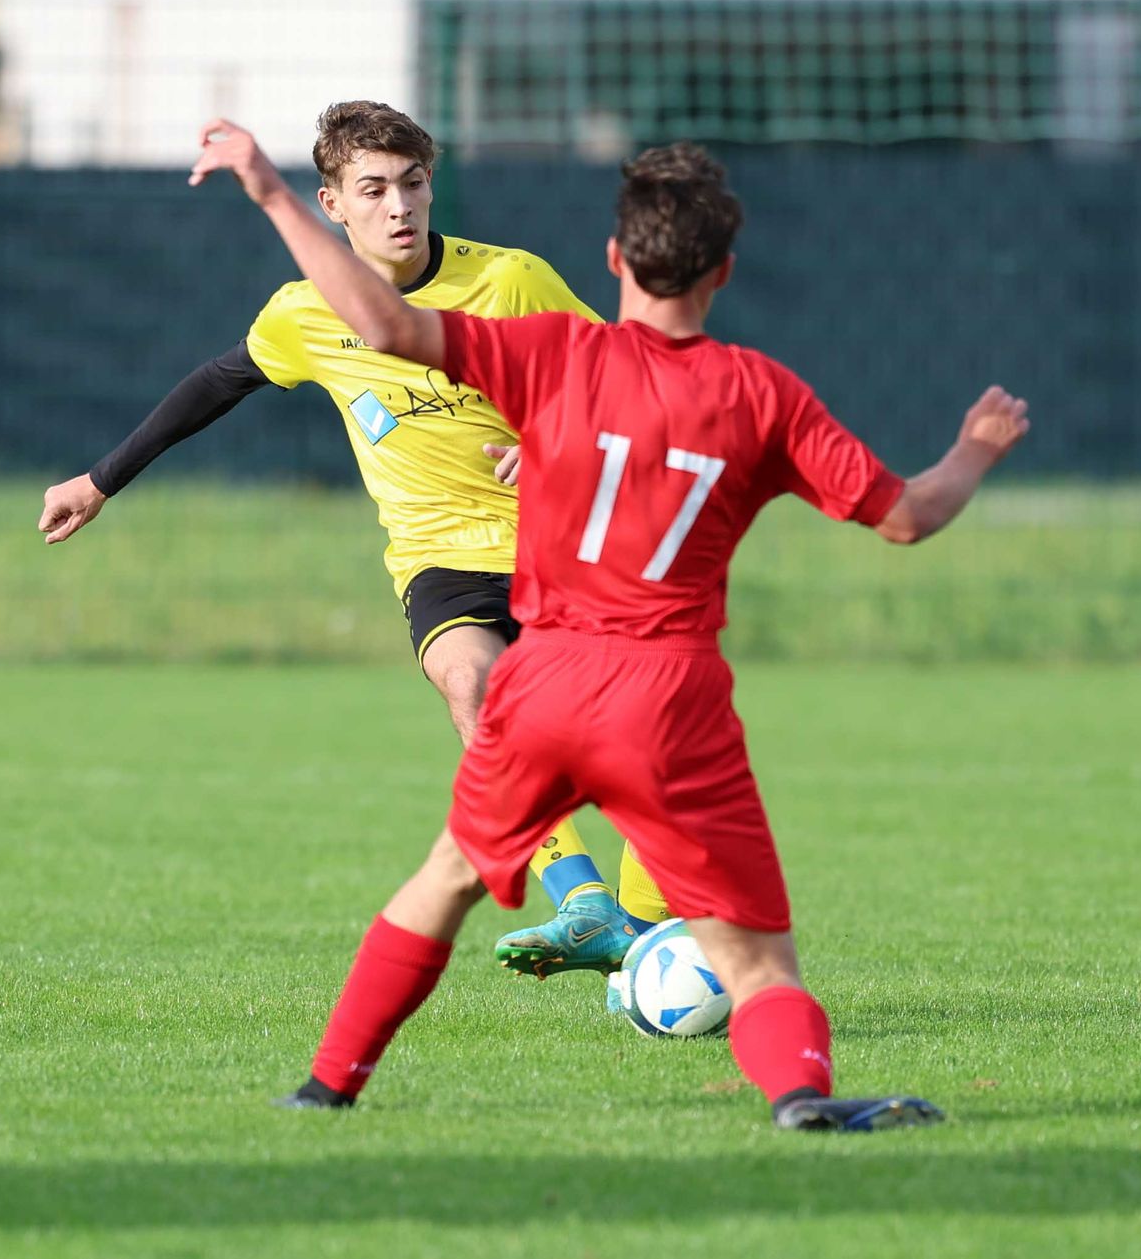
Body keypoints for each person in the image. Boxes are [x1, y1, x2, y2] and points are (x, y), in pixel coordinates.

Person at [189, 119, 1031, 1131]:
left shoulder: (553, 353)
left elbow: (383, 326)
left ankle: (326, 1086)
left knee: (444, 880)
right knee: (756, 960)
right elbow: (906, 517)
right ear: (723, 270)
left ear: (613, 260)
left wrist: (270, 191)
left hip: (546, 684)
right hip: (671, 699)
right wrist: (976, 449)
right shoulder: (762, 395)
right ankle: (802, 1097)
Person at [40, 101, 670, 975]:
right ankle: (586, 901)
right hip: (442, 558)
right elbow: (217, 384)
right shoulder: (307, 314)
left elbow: (632, 380)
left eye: (413, 184)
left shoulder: (511, 281)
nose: (399, 207)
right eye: (373, 189)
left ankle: (653, 937)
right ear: (332, 205)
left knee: (643, 754)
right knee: (472, 685)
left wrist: (558, 442)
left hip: (565, 545)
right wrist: (99, 479)